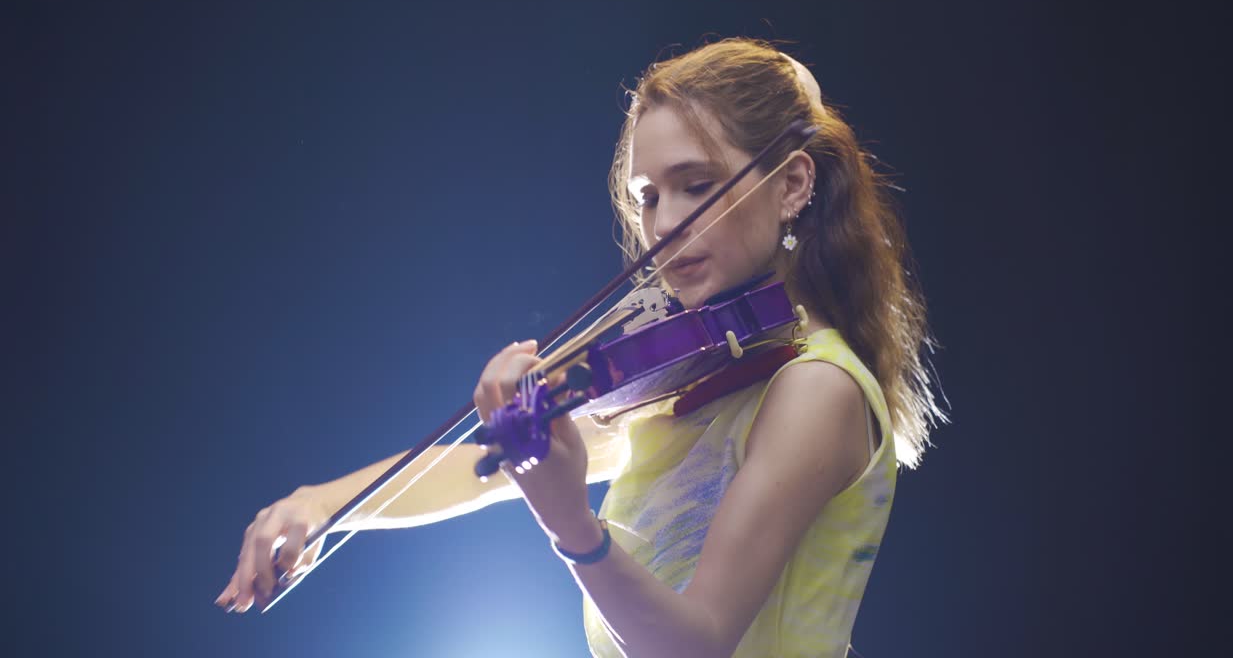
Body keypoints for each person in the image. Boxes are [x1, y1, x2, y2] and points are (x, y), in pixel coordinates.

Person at [215, 38, 943, 657]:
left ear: (792, 185)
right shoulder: (704, 376)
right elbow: (486, 469)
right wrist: (322, 504)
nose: (665, 223)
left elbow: (698, 642)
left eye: (696, 185)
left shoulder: (817, 388)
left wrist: (571, 524)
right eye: (649, 196)